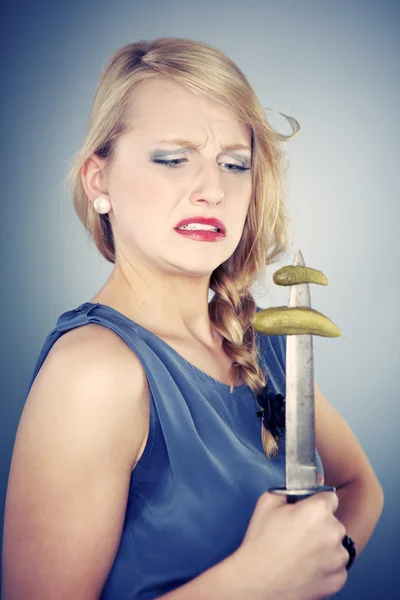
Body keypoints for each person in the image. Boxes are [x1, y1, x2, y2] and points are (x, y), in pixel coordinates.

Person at [2, 37, 384, 600]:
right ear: (98, 181)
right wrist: (256, 584)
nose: (212, 189)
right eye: (172, 158)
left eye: (234, 164)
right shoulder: (94, 372)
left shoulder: (260, 341)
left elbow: (360, 486)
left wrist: (323, 562)